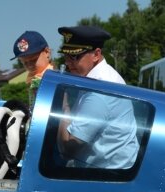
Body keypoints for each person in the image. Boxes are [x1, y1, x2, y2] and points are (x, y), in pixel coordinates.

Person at [56, 26, 139, 169]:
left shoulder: (99, 90)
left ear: (96, 54)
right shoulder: (93, 78)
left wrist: (63, 106)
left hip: (108, 178)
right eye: (66, 56)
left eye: (74, 57)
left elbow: (68, 149)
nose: (68, 63)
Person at [12, 30, 54, 106]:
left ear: (47, 52)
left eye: (34, 60)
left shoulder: (52, 80)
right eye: (24, 62)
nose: (29, 65)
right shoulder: (35, 77)